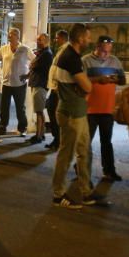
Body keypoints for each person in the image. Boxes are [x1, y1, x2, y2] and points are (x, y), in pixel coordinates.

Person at [51, 23, 94, 209]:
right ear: (80, 38)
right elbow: (88, 87)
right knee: (66, 155)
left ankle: (85, 190)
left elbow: (82, 86)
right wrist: (85, 86)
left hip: (77, 111)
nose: (90, 40)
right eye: (88, 37)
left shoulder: (68, 53)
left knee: (85, 152)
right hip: (71, 114)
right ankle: (58, 194)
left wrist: (82, 86)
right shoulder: (72, 58)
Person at [83, 35, 126, 181]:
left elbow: (123, 79)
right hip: (89, 109)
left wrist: (115, 79)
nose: (106, 55)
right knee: (85, 142)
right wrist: (98, 79)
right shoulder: (86, 61)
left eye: (108, 51)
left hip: (107, 108)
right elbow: (79, 80)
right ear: (98, 46)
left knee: (106, 142)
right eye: (104, 51)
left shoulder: (115, 61)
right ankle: (81, 170)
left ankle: (109, 170)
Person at [0, 28, 33, 136]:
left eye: (11, 35)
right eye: (8, 35)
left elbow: (35, 61)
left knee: (20, 108)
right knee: (4, 107)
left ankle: (22, 128)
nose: (9, 36)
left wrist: (28, 75)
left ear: (17, 36)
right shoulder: (3, 48)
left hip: (19, 84)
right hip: (6, 83)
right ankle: (2, 127)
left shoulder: (24, 49)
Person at [44, 29, 68, 150]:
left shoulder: (65, 50)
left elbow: (62, 70)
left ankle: (59, 140)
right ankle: (57, 139)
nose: (55, 40)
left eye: (57, 38)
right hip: (54, 88)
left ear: (63, 38)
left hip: (58, 89)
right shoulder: (61, 50)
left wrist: (58, 87)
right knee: (51, 111)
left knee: (55, 114)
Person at [28, 33, 53, 144]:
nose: (38, 42)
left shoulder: (46, 54)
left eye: (40, 40)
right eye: (37, 39)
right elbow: (33, 65)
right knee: (39, 111)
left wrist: (32, 63)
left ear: (46, 41)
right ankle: (40, 134)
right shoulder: (42, 53)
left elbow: (32, 65)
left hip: (40, 84)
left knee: (39, 111)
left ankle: (38, 135)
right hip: (38, 84)